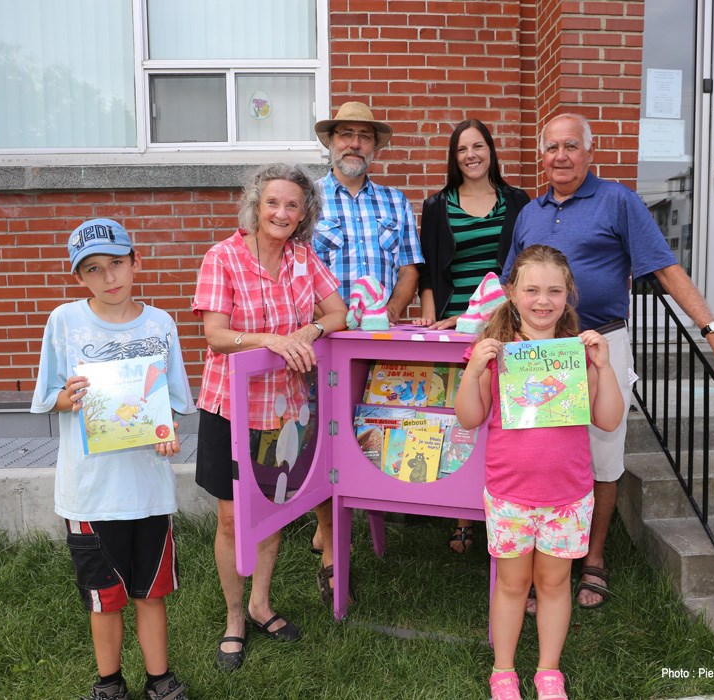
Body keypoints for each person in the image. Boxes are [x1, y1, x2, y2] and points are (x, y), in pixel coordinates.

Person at [503, 113, 714, 610]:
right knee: (542, 459)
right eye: (551, 147)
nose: (560, 156)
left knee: (602, 458)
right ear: (541, 154)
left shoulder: (618, 200)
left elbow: (664, 267)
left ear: (588, 151)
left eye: (570, 146)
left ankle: (592, 558)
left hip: (600, 346)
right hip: (540, 353)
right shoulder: (529, 212)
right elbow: (510, 283)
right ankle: (540, 561)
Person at [30, 218, 196, 700]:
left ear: (136, 261)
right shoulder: (64, 321)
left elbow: (172, 401)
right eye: (94, 270)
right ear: (79, 277)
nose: (109, 278)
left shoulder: (160, 324)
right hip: (90, 492)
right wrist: (68, 397)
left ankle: (160, 680)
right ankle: (109, 684)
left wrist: (166, 431)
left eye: (117, 264)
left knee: (151, 592)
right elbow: (47, 396)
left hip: (147, 490)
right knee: (104, 600)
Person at [192, 164, 348, 670]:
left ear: (304, 215)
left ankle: (261, 603)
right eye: (273, 202)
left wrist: (309, 335)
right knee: (234, 518)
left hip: (284, 409)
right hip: (230, 408)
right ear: (256, 205)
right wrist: (270, 340)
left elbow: (337, 313)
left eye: (293, 206)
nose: (282, 213)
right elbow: (216, 334)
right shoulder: (224, 257)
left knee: (273, 508)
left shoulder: (305, 259)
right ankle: (235, 616)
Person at [454, 244, 624, 700]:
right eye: (531, 289)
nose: (542, 300)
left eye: (554, 290)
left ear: (569, 294)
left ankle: (549, 672)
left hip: (567, 496)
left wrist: (604, 368)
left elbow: (608, 419)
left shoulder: (579, 354)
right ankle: (503, 671)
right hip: (510, 494)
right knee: (512, 585)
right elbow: (469, 418)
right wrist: (472, 371)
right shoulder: (496, 355)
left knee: (554, 584)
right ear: (511, 293)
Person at [308, 101, 424, 594]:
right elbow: (292, 271)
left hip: (379, 341)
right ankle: (333, 546)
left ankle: (360, 513)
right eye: (344, 134)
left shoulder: (395, 202)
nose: (353, 143)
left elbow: (410, 268)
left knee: (373, 428)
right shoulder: (305, 199)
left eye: (363, 136)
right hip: (325, 343)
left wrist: (392, 312)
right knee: (323, 438)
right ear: (330, 142)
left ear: (375, 147)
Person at [414, 117, 530, 554]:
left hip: (508, 326)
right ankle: (462, 515)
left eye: (478, 146)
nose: (471, 155)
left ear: (491, 151)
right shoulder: (438, 205)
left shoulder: (518, 201)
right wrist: (431, 315)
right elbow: (427, 268)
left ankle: (506, 506)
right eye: (462, 149)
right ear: (454, 157)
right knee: (460, 415)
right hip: (456, 325)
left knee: (503, 418)